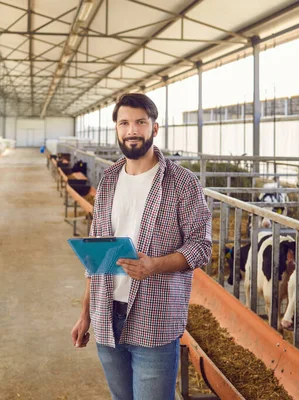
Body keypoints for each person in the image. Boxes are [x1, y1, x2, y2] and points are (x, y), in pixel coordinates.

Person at [70, 93, 212, 400]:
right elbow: (95, 255)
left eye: (140, 122)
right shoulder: (108, 180)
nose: (131, 130)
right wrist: (85, 314)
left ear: (155, 129)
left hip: (155, 319)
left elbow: (201, 246)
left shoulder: (183, 183)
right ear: (117, 130)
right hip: (107, 315)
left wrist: (155, 265)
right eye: (124, 123)